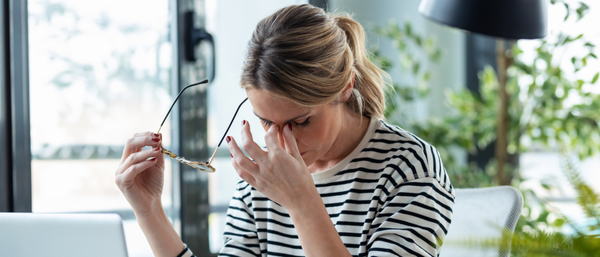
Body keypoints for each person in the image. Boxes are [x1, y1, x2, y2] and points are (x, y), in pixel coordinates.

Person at [115, 4, 454, 257]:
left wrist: (302, 201)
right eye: (266, 122)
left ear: (345, 87)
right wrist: (149, 211)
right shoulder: (262, 177)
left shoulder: (409, 168)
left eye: (301, 121)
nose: (280, 142)